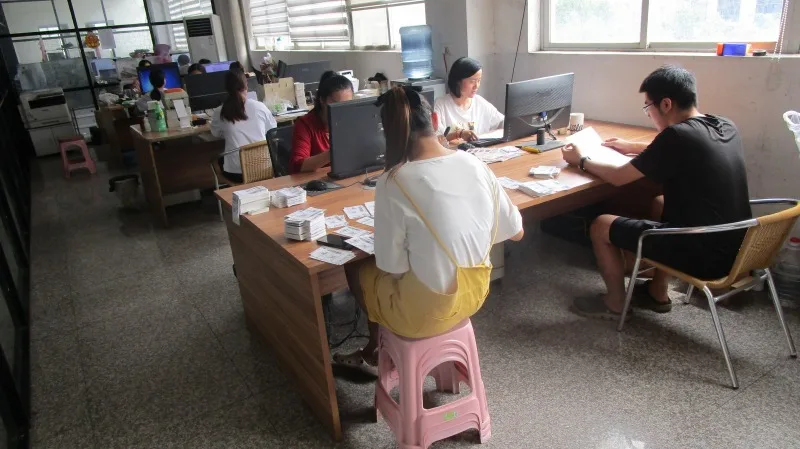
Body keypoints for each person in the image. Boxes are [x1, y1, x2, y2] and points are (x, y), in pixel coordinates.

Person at [333, 87, 524, 367]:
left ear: (389, 134)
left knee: (355, 267)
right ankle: (378, 348)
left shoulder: (393, 182)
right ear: (435, 120)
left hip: (425, 313)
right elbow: (517, 232)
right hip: (473, 297)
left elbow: (392, 267)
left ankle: (375, 348)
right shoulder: (475, 164)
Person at [562, 65, 752, 320]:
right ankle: (657, 292)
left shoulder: (676, 136)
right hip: (739, 247)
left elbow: (618, 177)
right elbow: (678, 147)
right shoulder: (724, 125)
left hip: (705, 257)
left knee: (600, 225)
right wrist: (631, 146)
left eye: (647, 107)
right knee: (661, 203)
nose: (648, 114)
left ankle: (615, 303)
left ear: (665, 104)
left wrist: (581, 160)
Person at [210, 70, 277, 183]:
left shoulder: (219, 111)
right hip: (265, 168)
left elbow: (216, 133)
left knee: (220, 160)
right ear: (246, 85)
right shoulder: (260, 106)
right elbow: (272, 131)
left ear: (227, 88)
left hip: (237, 174)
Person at [289, 71, 354, 173]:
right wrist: (333, 152)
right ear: (322, 100)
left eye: (347, 105)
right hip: (318, 180)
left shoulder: (352, 121)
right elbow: (297, 166)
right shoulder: (305, 125)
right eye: (337, 105)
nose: (343, 111)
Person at [434, 57, 504, 143]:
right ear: (458, 81)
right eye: (472, 81)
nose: (476, 86)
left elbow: (502, 123)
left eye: (479, 80)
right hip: (453, 151)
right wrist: (460, 134)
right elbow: (437, 138)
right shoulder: (441, 105)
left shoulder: (480, 102)